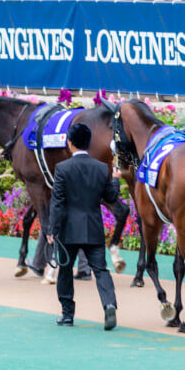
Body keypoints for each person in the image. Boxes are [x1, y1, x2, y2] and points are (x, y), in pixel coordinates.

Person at [46, 122, 121, 329]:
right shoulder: (101, 168)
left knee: (65, 269)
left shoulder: (62, 168)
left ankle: (67, 314)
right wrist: (115, 180)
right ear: (89, 143)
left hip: (68, 229)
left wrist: (52, 229)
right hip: (93, 226)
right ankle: (109, 305)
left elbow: (58, 202)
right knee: (100, 270)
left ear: (70, 142)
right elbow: (111, 196)